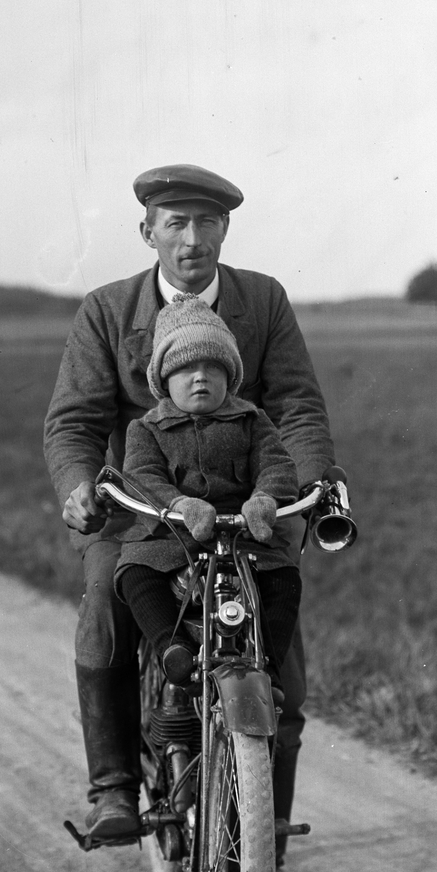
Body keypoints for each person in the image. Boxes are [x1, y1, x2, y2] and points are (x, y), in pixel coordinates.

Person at [44, 163, 338, 872]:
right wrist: (80, 485)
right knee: (106, 609)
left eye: (207, 223)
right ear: (148, 233)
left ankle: (263, 862)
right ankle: (113, 784)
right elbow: (75, 420)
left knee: (283, 676)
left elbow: (298, 407)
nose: (193, 239)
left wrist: (300, 496)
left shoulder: (261, 301)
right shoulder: (109, 311)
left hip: (249, 512)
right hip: (141, 512)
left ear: (225, 232)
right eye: (175, 223)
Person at [115, 291, 303, 699]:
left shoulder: (252, 421)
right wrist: (180, 505)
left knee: (284, 578)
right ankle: (173, 649)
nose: (200, 377)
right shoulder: (146, 429)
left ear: (230, 375)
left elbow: (278, 464)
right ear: (163, 380)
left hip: (243, 534)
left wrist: (266, 499)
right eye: (185, 368)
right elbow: (141, 476)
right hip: (170, 538)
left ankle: (267, 667)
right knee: (135, 574)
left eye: (212, 368)